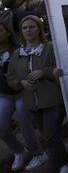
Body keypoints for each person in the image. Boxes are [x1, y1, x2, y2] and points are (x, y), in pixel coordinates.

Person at [7, 15, 68, 172]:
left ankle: (56, 167)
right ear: (21, 31)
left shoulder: (50, 48)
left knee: (51, 137)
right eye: (25, 28)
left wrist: (45, 72)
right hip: (31, 103)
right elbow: (11, 76)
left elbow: (62, 68)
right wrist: (21, 83)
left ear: (39, 29)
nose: (28, 30)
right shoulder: (17, 54)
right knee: (50, 137)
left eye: (32, 26)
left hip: (53, 100)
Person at [0, 19, 47, 171]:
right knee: (1, 126)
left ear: (7, 32)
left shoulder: (19, 49)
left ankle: (39, 153)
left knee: (25, 124)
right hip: (4, 95)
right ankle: (19, 151)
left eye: (0, 30)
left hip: (22, 93)